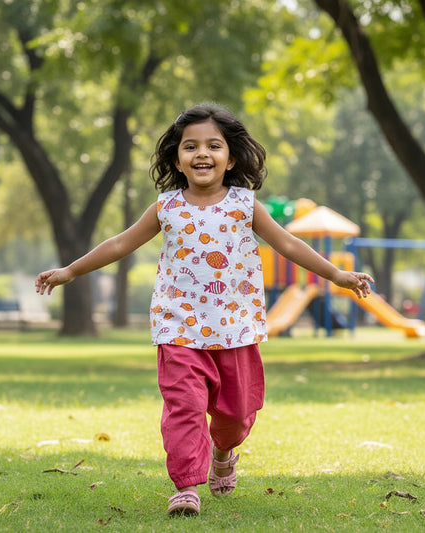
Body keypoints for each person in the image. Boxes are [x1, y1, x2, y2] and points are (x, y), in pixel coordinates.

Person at [35, 102, 374, 516]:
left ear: (230, 158)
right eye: (190, 146)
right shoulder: (167, 208)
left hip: (236, 330)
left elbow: (288, 244)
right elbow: (120, 243)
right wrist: (71, 270)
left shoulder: (245, 205)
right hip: (179, 330)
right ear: (176, 158)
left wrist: (337, 275)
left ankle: (223, 453)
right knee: (185, 408)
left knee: (236, 415)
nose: (201, 154)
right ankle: (186, 487)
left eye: (213, 146)